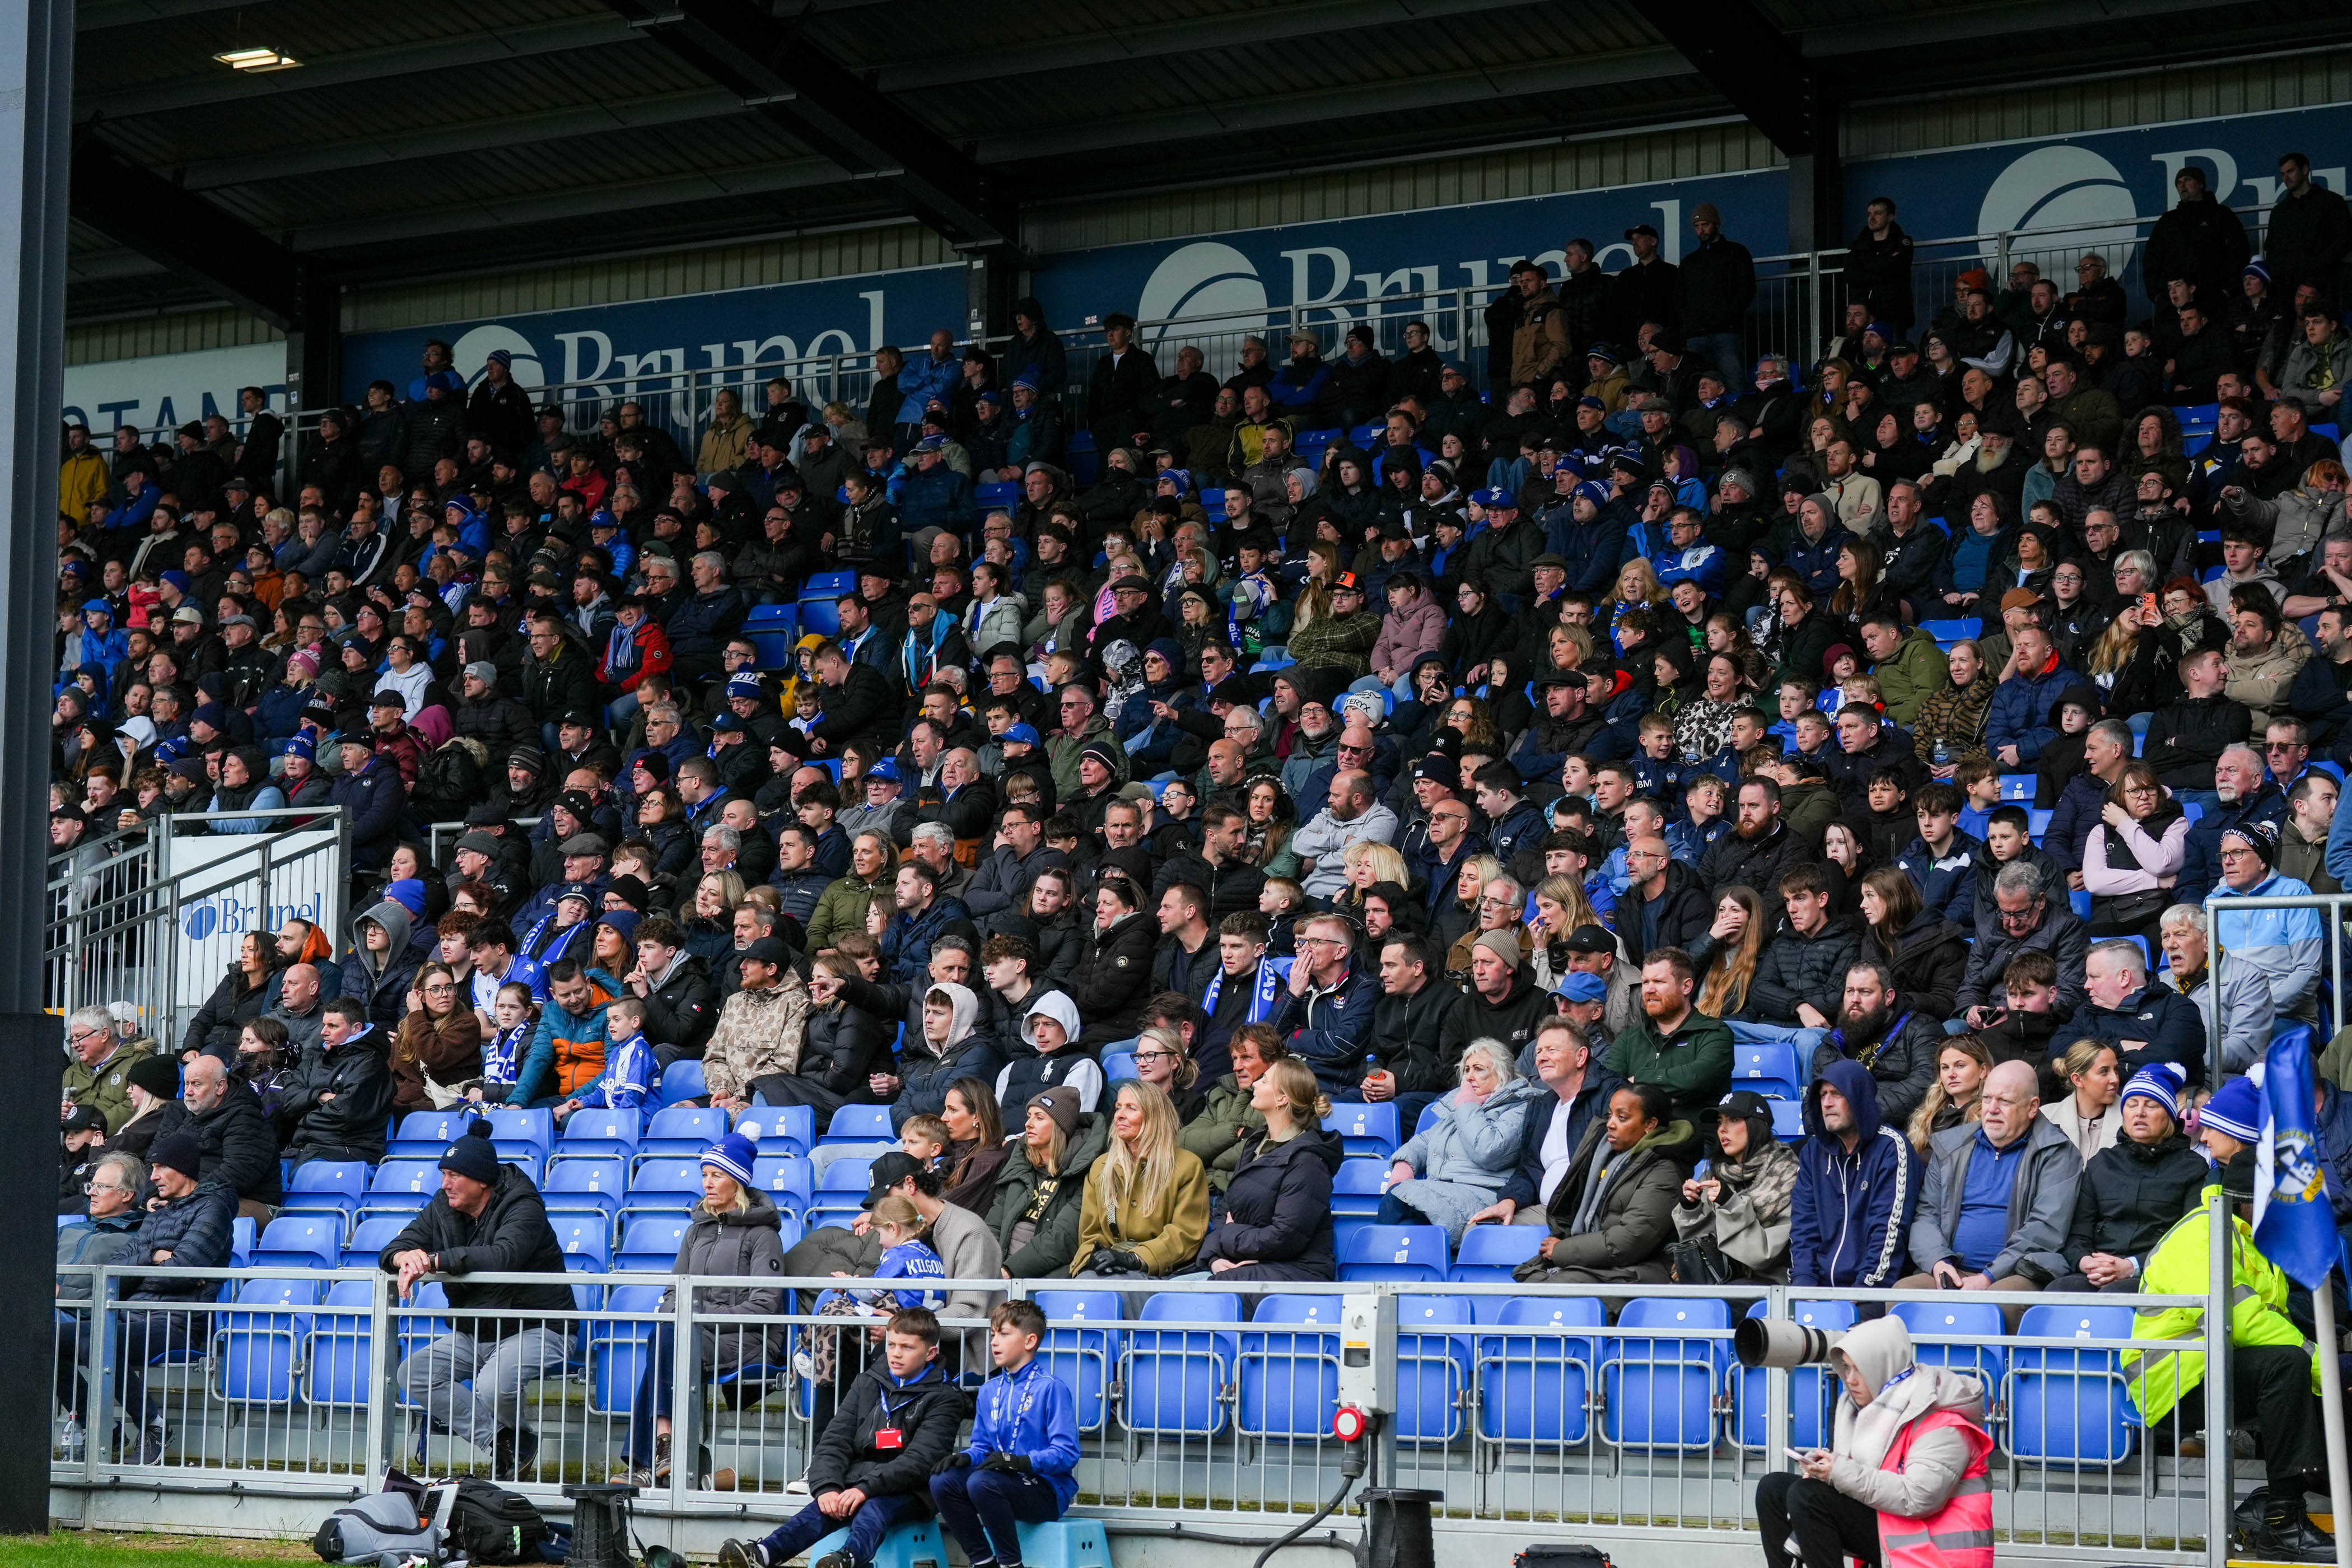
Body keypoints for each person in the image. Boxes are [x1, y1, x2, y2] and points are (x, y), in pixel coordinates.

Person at [2130, 1081, 2337, 1560]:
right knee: (2291, 1365)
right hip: (2174, 1381)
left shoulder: (2250, 1239)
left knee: (2315, 1369)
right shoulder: (2203, 1235)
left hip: (2213, 1366)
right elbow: (2247, 1326)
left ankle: (2276, 1504)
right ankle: (2283, 1520)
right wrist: (2320, 1365)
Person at [381, 1121, 573, 1478]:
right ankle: (504, 1442)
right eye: (444, 1174)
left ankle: (515, 1447)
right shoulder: (443, 1205)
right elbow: (394, 1247)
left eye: (454, 1176)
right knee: (415, 1373)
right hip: (477, 1329)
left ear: (482, 1180)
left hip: (538, 1326)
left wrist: (435, 1261)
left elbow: (504, 1256)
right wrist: (405, 1257)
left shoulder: (523, 1204)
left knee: (492, 1385)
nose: (445, 1184)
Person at [717, 1306, 965, 1568]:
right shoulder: (868, 1382)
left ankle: (848, 1560)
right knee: (822, 1509)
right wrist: (827, 1487)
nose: (896, 1353)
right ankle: (762, 1555)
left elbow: (920, 1461)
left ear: (931, 1353)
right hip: (857, 1482)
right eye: (892, 1344)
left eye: (907, 1347)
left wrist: (865, 1488)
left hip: (911, 1491)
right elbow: (834, 1440)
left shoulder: (945, 1398)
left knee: (874, 1508)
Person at [1757, 1315, 1995, 1568]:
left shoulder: (1944, 1423)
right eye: (1846, 1368)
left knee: (1808, 1496)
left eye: (1860, 1369)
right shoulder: (1865, 1410)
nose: (1850, 1379)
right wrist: (1827, 1473)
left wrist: (1839, 1473)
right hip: (1897, 1530)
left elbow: (1918, 1499)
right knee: (1773, 1489)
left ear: (1883, 1368)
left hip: (1936, 1552)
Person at [619, 1130, 787, 1487]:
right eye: (705, 1175)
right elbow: (673, 1292)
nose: (707, 1183)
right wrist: (685, 1317)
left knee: (668, 1340)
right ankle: (665, 1449)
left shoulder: (764, 1235)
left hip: (746, 1338)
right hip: (695, 1333)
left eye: (717, 1175)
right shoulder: (696, 1231)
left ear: (737, 1181)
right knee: (667, 1336)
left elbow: (765, 1305)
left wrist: (700, 1317)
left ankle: (650, 1458)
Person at [1898, 1060, 2080, 1324]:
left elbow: (2045, 1228)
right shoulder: (1952, 1148)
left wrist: (1988, 1277)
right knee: (1903, 1295)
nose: (1992, 1109)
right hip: (1953, 1270)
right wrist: (1938, 1262)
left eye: (2005, 1101)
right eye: (1987, 1099)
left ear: (2032, 1107)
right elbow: (1926, 1215)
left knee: (2002, 1305)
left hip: (2019, 1272)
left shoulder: (2057, 1153)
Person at [110, 1131, 235, 1464]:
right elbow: (114, 1271)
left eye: (161, 1167)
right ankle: (97, 1425)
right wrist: (154, 1257)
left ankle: (153, 1426)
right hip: (129, 1315)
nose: (153, 1177)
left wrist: (146, 1271)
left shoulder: (214, 1208)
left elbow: (182, 1271)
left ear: (183, 1169)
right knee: (54, 1339)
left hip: (176, 1324)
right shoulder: (158, 1213)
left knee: (98, 1341)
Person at [928, 1299, 1081, 1568]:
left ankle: (1011, 1564)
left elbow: (1067, 1453)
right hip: (999, 1481)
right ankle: (983, 1561)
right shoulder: (989, 1390)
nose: (994, 1342)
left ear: (1030, 1341)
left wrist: (1023, 1462)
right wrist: (966, 1457)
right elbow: (983, 1448)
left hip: (1045, 1489)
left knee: (982, 1482)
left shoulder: (1051, 1388)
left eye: (1004, 1334)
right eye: (993, 1334)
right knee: (943, 1481)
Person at [2048, 1063, 2205, 1294]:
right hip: (2099, 1268)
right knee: (2060, 1290)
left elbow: (2190, 1240)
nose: (2139, 1113)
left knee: (2113, 1295)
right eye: (2132, 1105)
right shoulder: (2102, 1163)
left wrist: (2133, 1266)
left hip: (2156, 1273)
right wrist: (2085, 1261)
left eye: (2151, 1105)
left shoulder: (2193, 1168)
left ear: (2170, 1116)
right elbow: (2078, 1232)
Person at [1512, 1080, 1686, 1284]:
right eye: (1610, 1115)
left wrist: (1562, 1250)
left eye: (1622, 1118)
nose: (1611, 1124)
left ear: (1650, 1125)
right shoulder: (1603, 1157)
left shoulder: (1664, 1172)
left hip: (1640, 1271)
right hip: (1597, 1263)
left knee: (1554, 1288)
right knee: (1528, 1278)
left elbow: (1629, 1242)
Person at [1191, 1056, 1345, 1280]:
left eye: (1264, 1081)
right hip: (1247, 1263)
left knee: (1194, 1292)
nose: (1255, 1084)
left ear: (1282, 1099)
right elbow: (1225, 1211)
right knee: (1175, 1288)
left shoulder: (1308, 1161)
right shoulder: (1255, 1147)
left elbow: (1286, 1236)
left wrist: (1232, 1236)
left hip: (1296, 1272)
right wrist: (1214, 1258)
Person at [1379, 1038, 1531, 1243]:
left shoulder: (1520, 1105)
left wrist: (1468, 1106)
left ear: (1502, 1075)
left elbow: (1488, 1150)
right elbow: (1426, 1139)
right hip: (1443, 1192)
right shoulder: (1462, 1105)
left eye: (1479, 1069)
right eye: (1467, 1070)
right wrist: (1404, 1164)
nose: (1469, 1077)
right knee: (1407, 1228)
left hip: (1482, 1195)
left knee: (1397, 1199)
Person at [1791, 1060, 1919, 1290]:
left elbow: (1888, 1231)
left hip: (1873, 1290)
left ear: (1859, 1098)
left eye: (1837, 1094)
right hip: (1817, 1289)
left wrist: (1863, 1289)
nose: (1827, 1103)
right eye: (1822, 1095)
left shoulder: (1891, 1148)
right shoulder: (1812, 1152)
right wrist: (1803, 1284)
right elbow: (1804, 1227)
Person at [1071, 1079, 1208, 1277]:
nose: (1120, 1115)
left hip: (1159, 1271)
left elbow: (1185, 1234)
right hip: (1109, 1270)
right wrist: (1092, 1259)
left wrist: (1135, 1259)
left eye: (1131, 1108)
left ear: (1155, 1117)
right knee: (1085, 1281)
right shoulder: (1101, 1167)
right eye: (1118, 1108)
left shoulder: (1187, 1166)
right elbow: (1090, 1234)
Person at [1672, 1088, 1800, 1282]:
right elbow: (1700, 1247)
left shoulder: (1788, 1176)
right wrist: (1692, 1208)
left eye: (1733, 1120)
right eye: (1719, 1122)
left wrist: (1730, 1205)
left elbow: (1762, 1256)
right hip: (1720, 1278)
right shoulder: (1715, 1175)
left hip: (1771, 1283)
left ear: (1757, 1125)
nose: (1722, 1129)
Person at [984, 1085, 1106, 1278]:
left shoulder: (1084, 1172)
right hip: (1000, 1267)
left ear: (1060, 1127)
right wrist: (986, 1268)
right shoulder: (1019, 1165)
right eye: (1029, 1116)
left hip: (1044, 1273)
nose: (1028, 1124)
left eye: (1039, 1118)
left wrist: (1009, 1271)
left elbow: (1062, 1238)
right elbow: (994, 1225)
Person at [2040, 1038, 2123, 1161]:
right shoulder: (2046, 1117)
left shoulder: (2132, 1119)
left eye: (2116, 1070)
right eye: (2104, 1071)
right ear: (2078, 1080)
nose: (2115, 1079)